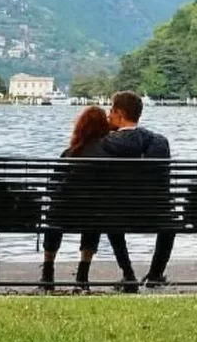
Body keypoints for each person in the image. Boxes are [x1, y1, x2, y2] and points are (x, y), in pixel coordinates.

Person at [39, 106, 138, 290]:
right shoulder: (111, 154)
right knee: (96, 212)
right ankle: (82, 276)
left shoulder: (69, 153)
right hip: (95, 218)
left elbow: (53, 187)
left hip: (62, 217)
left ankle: (47, 275)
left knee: (56, 212)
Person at [102, 90, 175, 288]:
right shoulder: (161, 142)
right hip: (158, 214)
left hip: (120, 215)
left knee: (108, 216)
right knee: (171, 216)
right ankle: (155, 275)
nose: (108, 115)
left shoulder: (106, 142)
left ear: (118, 113)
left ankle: (128, 274)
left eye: (111, 111)